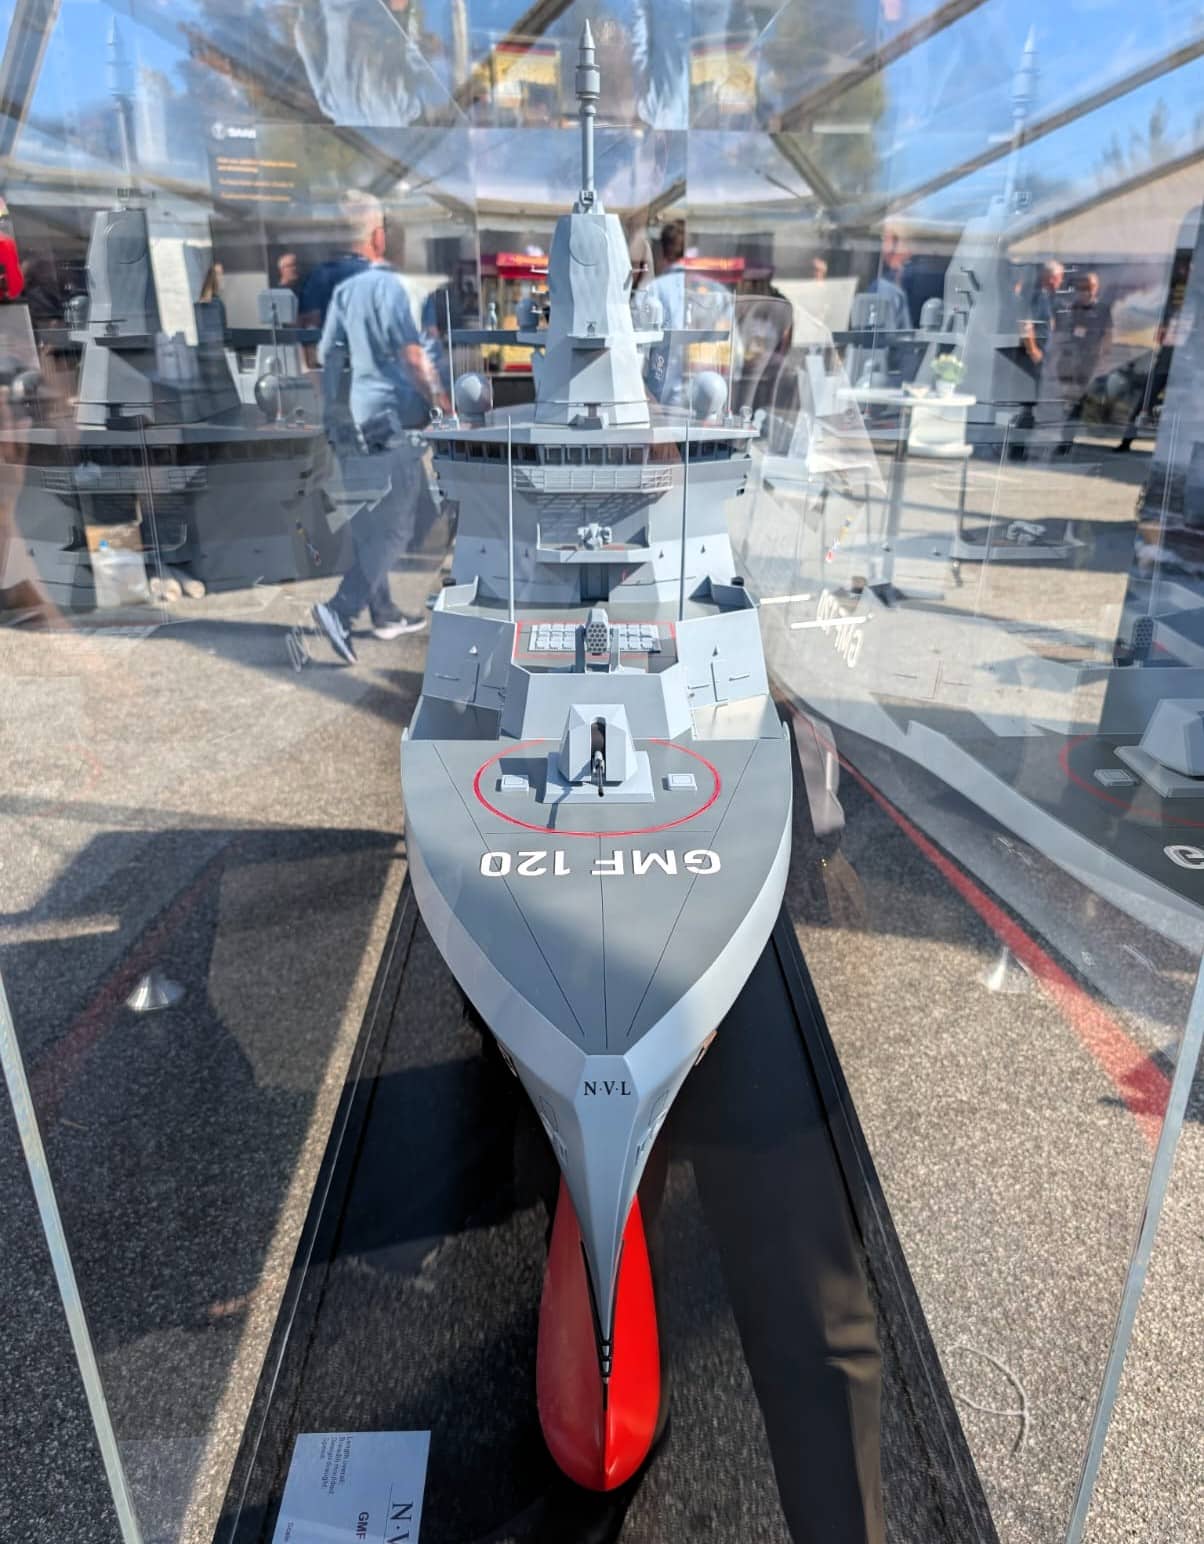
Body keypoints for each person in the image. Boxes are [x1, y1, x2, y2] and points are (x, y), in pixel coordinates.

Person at [311, 192, 450, 663]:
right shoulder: (394, 289)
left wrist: (335, 412)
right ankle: (340, 610)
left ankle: (385, 612)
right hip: (388, 425)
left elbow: (325, 356)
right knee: (398, 529)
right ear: (380, 237)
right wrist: (442, 402)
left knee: (371, 525)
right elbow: (414, 357)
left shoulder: (345, 292)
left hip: (350, 423)